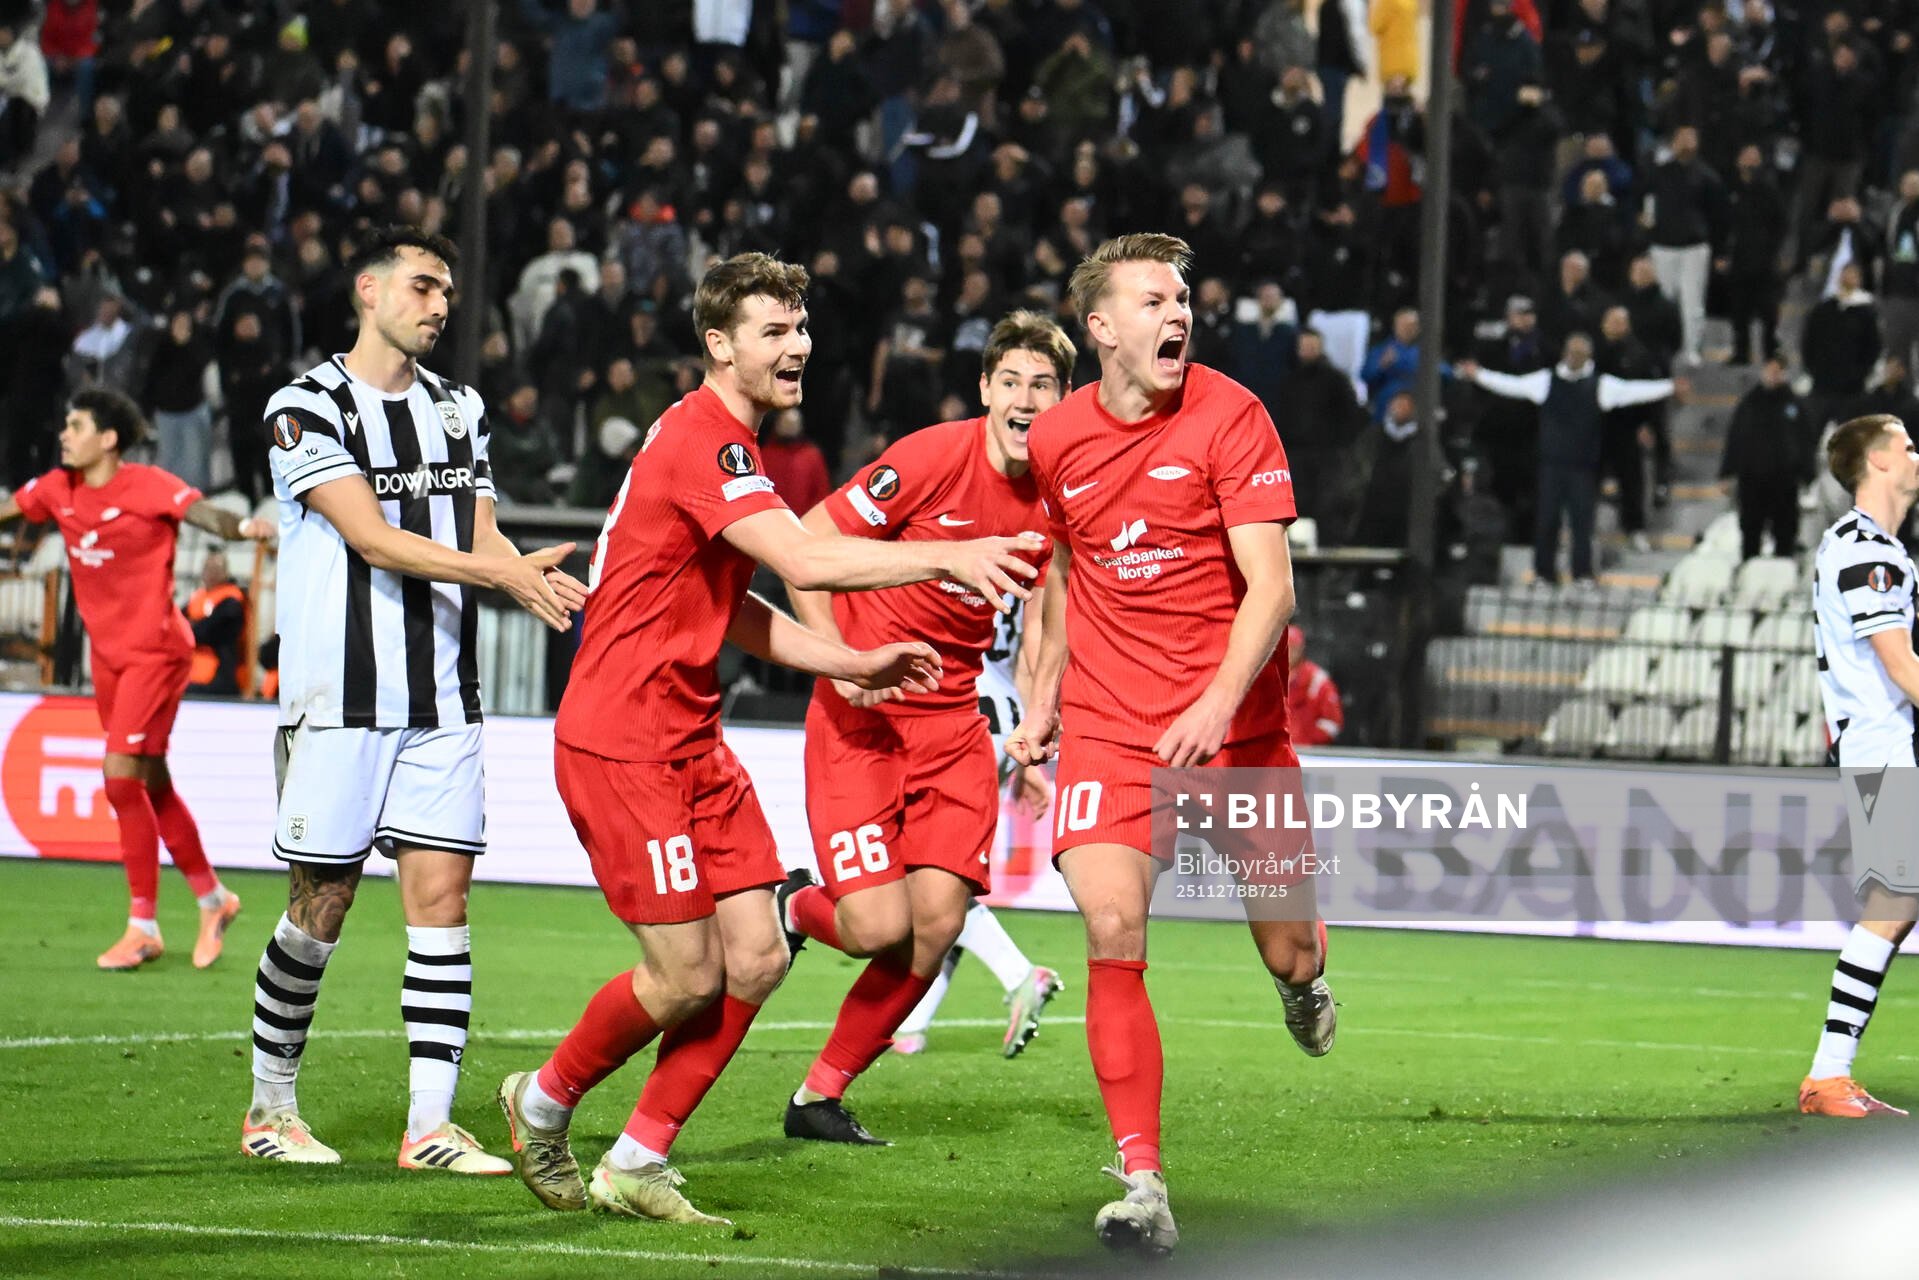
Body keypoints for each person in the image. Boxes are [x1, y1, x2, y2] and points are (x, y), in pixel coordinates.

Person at [495, 253, 1044, 1224]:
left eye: (800, 328)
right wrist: (948, 553)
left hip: (692, 736)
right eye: (773, 331)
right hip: (623, 738)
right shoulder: (703, 441)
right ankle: (542, 1100)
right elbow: (802, 555)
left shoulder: (731, 449)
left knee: (754, 957)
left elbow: (734, 604)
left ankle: (638, 1159)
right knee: (685, 974)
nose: (798, 347)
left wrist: (847, 661)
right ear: (719, 344)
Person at [1005, 234, 1335, 1256]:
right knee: (1111, 923)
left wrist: (1217, 703)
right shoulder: (1056, 438)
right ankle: (1141, 1180)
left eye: (1182, 297)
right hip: (1113, 730)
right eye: (1152, 299)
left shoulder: (1232, 415)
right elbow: (1066, 568)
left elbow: (1272, 587)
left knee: (1289, 947)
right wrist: (1043, 693)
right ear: (1101, 327)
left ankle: (1302, 982)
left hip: (1238, 734)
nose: (1177, 312)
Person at [239, 226, 588, 1173]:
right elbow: (373, 538)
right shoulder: (305, 406)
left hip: (442, 697)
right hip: (339, 699)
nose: (440, 305)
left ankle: (428, 1126)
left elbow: (479, 532)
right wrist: (500, 574)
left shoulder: (458, 407)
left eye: (446, 292)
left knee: (443, 901)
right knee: (323, 903)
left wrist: (530, 576)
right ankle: (271, 1108)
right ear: (369, 289)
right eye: (423, 286)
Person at [773, 312, 1070, 1143]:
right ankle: (793, 904)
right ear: (984, 390)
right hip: (862, 717)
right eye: (1009, 382)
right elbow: (805, 544)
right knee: (876, 928)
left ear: (1064, 398)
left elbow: (1050, 616)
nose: (1024, 399)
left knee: (936, 924)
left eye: (1041, 385)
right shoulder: (932, 456)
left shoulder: (1062, 491)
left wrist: (1040, 715)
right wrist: (839, 660)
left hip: (953, 725)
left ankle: (818, 1097)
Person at [0, 390, 268, 970]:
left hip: (157, 652)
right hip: (109, 660)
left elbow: (205, 515)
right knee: (150, 783)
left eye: (76, 425)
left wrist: (247, 525)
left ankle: (143, 926)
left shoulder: (147, 486)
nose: (64, 434)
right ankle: (214, 899)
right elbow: (14, 509)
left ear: (108, 439)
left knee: (120, 779)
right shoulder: (57, 488)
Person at [1800, 414, 1919, 1119]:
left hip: (1888, 741)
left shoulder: (1875, 547)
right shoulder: (1865, 552)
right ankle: (1826, 1076)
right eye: (1907, 444)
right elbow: (1900, 666)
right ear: (1876, 462)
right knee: (1894, 902)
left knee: (1898, 903)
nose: (1916, 454)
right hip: (1882, 744)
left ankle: (1828, 1074)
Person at [889, 588, 1063, 1059]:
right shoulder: (1028, 564)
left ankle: (1019, 974)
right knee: (943, 882)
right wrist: (1028, 754)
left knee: (926, 880)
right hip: (1002, 715)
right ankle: (911, 1024)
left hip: (958, 711)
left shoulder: (955, 555)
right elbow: (1030, 655)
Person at [1456, 336, 1680, 586]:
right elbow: (1512, 385)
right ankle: (1544, 573)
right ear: (1565, 353)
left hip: (1583, 467)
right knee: (1547, 520)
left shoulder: (1600, 385)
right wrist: (1479, 375)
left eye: (1580, 354)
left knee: (1582, 523)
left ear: (1588, 357)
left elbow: (1634, 391)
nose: (1575, 358)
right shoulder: (1546, 381)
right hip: (1551, 465)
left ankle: (1582, 573)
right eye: (1572, 352)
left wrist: (1669, 387)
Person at [1719, 357, 1810, 561]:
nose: (1773, 375)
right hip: (1753, 479)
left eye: (1778, 371)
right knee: (1751, 532)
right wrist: (1727, 472)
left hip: (1784, 480)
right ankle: (1749, 571)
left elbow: (1805, 441)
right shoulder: (1749, 404)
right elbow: (1735, 439)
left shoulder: (1794, 405)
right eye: (1770, 370)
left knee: (1785, 533)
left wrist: (1807, 473)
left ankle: (1783, 572)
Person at [185, 549, 252, 696]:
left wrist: (193, 626)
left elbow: (206, 631)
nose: (211, 573)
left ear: (225, 572)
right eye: (207, 569)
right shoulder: (198, 597)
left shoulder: (232, 600)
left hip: (220, 675)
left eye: (216, 569)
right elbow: (179, 625)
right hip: (192, 670)